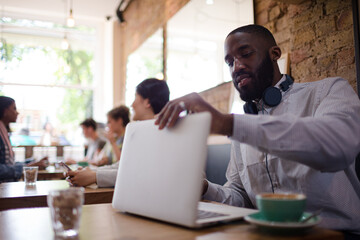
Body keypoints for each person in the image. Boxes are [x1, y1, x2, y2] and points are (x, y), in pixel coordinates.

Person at [155, 24, 360, 237]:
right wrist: (204, 188)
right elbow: (239, 195)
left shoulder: (329, 91)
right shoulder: (242, 127)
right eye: (229, 62)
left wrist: (228, 124)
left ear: (275, 54)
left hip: (336, 235)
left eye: (245, 54)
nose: (236, 67)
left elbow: (337, 145)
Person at [67, 78, 170, 187]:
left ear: (147, 102)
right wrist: (91, 172)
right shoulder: (143, 132)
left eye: (136, 98)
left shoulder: (159, 135)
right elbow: (124, 165)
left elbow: (139, 173)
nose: (132, 104)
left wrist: (94, 175)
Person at [0, 96, 48, 182]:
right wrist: (26, 167)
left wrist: (31, 163)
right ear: (5, 111)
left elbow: (9, 164)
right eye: (14, 108)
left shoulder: (4, 131)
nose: (17, 113)